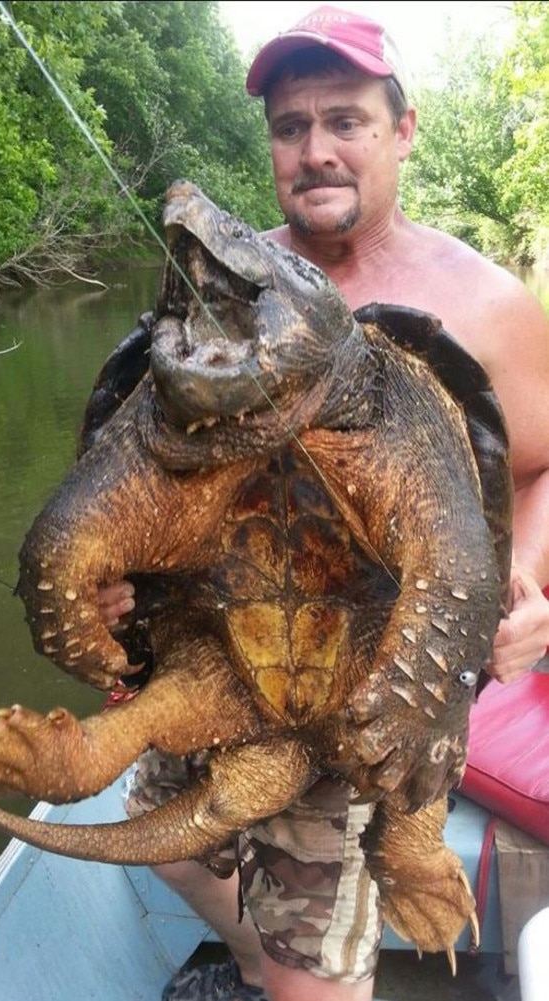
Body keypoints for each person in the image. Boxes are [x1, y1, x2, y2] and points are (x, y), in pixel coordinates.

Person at [99, 6, 549, 1000]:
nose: (314, 151)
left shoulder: (484, 304)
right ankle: (268, 960)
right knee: (162, 841)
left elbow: (537, 469)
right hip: (226, 653)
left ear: (401, 127)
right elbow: (153, 475)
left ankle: (309, 977)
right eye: (289, 126)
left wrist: (524, 576)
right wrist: (122, 590)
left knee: (313, 988)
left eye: (343, 119)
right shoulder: (220, 285)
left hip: (378, 680)